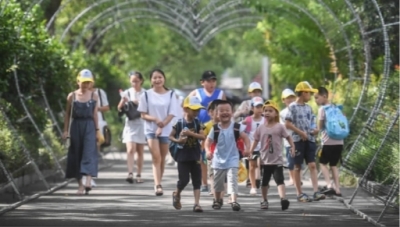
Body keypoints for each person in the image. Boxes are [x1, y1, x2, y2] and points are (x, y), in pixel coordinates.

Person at [137, 69, 179, 196]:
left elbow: (172, 113)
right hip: (150, 129)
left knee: (162, 158)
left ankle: (159, 180)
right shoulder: (145, 95)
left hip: (166, 130)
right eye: (154, 78)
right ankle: (157, 185)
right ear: (151, 80)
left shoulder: (171, 94)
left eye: (160, 77)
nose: (157, 80)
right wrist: (155, 120)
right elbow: (143, 115)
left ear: (164, 79)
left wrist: (163, 124)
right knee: (156, 157)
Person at [205, 100, 250, 211]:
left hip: (232, 158)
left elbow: (246, 138)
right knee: (217, 183)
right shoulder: (215, 128)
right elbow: (208, 141)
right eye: (221, 111)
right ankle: (217, 200)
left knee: (232, 179)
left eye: (227, 110)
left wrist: (248, 149)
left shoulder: (236, 127)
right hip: (217, 160)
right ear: (216, 114)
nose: (224, 112)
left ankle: (234, 200)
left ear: (232, 112)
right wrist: (207, 151)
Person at [284, 81, 326, 202]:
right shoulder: (292, 107)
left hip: (310, 140)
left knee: (312, 165)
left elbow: (312, 122)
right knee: (297, 166)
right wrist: (300, 132)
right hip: (297, 141)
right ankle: (299, 194)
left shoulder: (309, 108)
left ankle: (316, 192)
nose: (311, 96)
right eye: (309, 93)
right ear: (303, 93)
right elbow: (287, 123)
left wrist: (316, 129)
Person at [249, 100, 295, 210]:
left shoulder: (280, 126)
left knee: (280, 180)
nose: (268, 112)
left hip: (277, 160)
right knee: (264, 182)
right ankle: (264, 200)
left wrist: (293, 147)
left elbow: (288, 137)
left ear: (276, 113)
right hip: (265, 161)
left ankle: (283, 199)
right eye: (266, 111)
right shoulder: (260, 128)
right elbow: (255, 140)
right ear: (263, 113)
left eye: (270, 110)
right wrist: (250, 151)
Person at [188, 70, 226, 192]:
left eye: (213, 80)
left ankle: (216, 182)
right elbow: (186, 107)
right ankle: (204, 183)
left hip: (217, 130)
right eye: (208, 81)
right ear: (202, 82)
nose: (211, 83)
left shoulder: (220, 94)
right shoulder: (196, 93)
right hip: (200, 130)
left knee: (216, 156)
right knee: (202, 157)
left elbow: (226, 110)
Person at [63, 69, 99, 195]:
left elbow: (95, 115)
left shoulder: (94, 95)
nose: (85, 85)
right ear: (78, 81)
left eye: (88, 82)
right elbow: (67, 115)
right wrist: (65, 130)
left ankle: (88, 181)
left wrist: (97, 131)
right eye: (83, 82)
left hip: (89, 126)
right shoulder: (71, 96)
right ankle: (80, 185)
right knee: (76, 154)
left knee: (89, 152)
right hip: (76, 125)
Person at [169, 96, 206, 212]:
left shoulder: (198, 123)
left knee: (197, 180)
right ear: (186, 109)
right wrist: (178, 141)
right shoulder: (178, 122)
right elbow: (170, 136)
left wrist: (191, 134)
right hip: (182, 156)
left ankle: (197, 204)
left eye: (198, 110)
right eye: (194, 109)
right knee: (184, 180)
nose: (196, 112)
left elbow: (203, 136)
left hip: (195, 155)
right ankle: (177, 193)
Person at [117, 72, 146, 184]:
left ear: (141, 81)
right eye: (132, 81)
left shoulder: (145, 93)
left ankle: (139, 174)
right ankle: (130, 173)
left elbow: (149, 107)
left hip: (142, 123)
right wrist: (123, 102)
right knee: (130, 149)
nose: (134, 83)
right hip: (130, 123)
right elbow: (119, 109)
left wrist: (137, 102)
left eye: (137, 81)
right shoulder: (127, 92)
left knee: (140, 151)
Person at [314, 87, 343, 197]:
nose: (316, 100)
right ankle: (338, 189)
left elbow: (320, 127)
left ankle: (329, 185)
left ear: (324, 96)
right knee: (334, 165)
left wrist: (315, 131)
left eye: (317, 97)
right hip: (339, 141)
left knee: (322, 163)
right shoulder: (336, 108)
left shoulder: (322, 109)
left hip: (327, 142)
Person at [242, 96, 265, 195]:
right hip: (252, 146)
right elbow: (240, 129)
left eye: (261, 107)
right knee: (252, 166)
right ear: (252, 108)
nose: (260, 109)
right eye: (257, 107)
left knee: (262, 165)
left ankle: (261, 181)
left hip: (264, 147)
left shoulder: (265, 119)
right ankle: (253, 186)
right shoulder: (248, 120)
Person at [280, 88, 303, 185]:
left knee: (299, 160)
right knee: (290, 161)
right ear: (283, 100)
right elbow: (283, 126)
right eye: (287, 98)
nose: (290, 99)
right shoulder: (282, 113)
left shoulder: (300, 109)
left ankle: (298, 178)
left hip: (299, 139)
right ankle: (291, 178)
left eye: (292, 97)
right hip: (289, 140)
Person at [203, 99, 224, 196]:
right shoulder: (207, 126)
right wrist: (203, 152)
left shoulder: (226, 125)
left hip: (224, 153)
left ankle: (223, 189)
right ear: (211, 112)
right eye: (217, 111)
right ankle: (212, 188)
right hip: (211, 153)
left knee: (223, 173)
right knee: (211, 173)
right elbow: (204, 139)